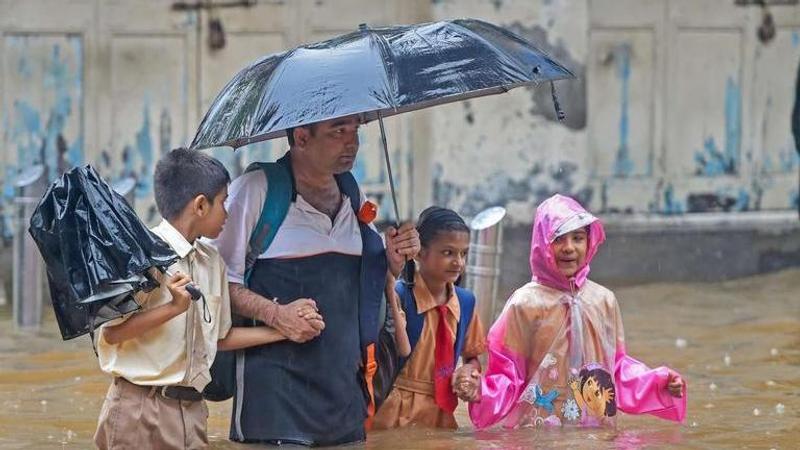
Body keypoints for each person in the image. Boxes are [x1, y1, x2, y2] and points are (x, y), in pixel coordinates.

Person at [212, 114, 420, 445]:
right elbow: (217, 283)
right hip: (274, 405)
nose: (352, 143)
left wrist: (393, 261)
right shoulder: (256, 191)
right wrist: (277, 315)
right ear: (301, 137)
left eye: (355, 131)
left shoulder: (353, 192)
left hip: (344, 399)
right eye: (338, 132)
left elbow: (360, 286)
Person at [93, 148, 315, 449]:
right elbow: (110, 334)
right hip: (139, 410)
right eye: (223, 202)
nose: (228, 213)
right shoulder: (140, 257)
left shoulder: (211, 261)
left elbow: (220, 338)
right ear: (200, 205)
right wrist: (172, 308)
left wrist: (283, 329)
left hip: (193, 412)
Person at [454, 194, 687, 429]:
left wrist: (657, 382)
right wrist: (481, 391)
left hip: (595, 430)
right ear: (542, 244)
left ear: (590, 242)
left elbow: (616, 368)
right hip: (537, 431)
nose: (569, 248)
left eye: (578, 238)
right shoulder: (524, 304)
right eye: (558, 239)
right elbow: (508, 373)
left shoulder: (603, 300)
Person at [372, 206, 486, 429]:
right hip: (393, 413)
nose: (458, 262)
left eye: (464, 253)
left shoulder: (465, 303)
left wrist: (469, 372)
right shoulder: (398, 295)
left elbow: (472, 356)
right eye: (448, 253)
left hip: (440, 415)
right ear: (419, 252)